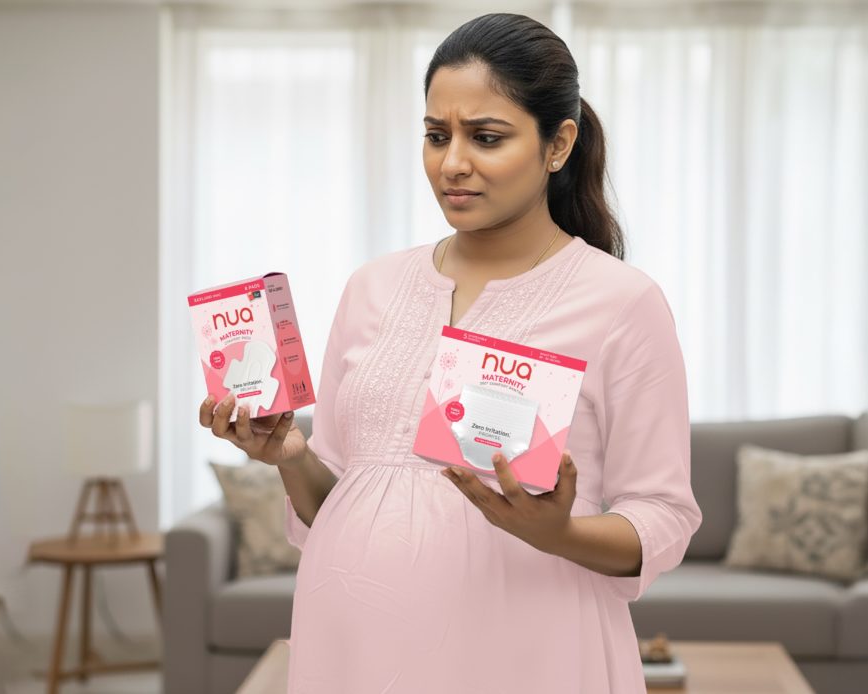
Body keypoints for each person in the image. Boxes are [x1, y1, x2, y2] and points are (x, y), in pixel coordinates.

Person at [198, 12, 702, 694]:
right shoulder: (371, 287)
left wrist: (560, 534)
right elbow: (347, 495)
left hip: (527, 654)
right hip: (355, 649)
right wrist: (289, 457)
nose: (452, 163)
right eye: (436, 136)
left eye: (486, 137)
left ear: (558, 145)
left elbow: (664, 515)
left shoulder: (622, 303)